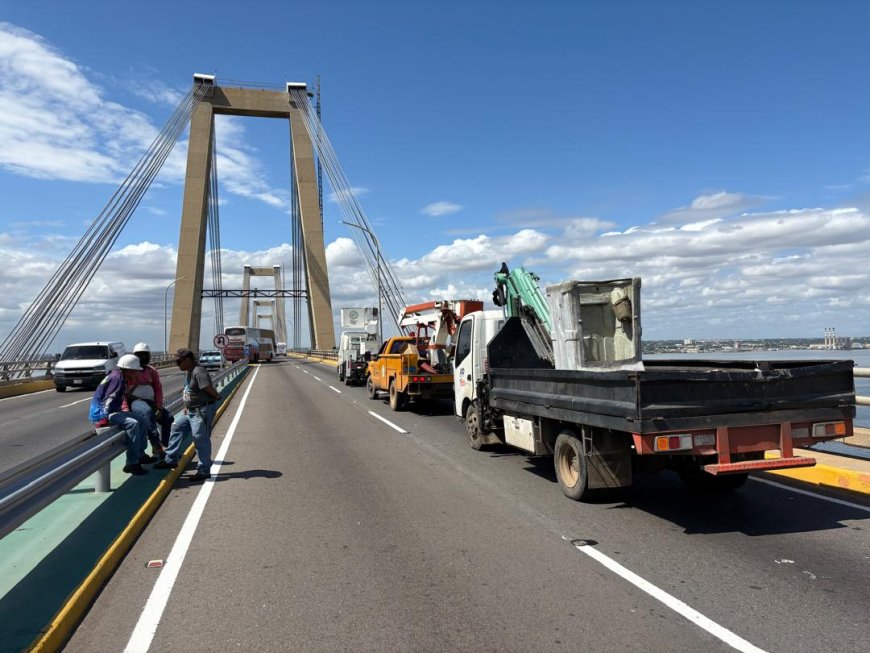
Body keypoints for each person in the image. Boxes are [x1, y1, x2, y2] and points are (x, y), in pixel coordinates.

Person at [155, 348, 221, 482]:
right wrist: (186, 406)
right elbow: (189, 389)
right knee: (177, 428)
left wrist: (216, 396)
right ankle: (171, 459)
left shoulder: (198, 371)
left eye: (179, 361)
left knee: (200, 439)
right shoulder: (189, 371)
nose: (177, 364)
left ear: (188, 360)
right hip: (191, 410)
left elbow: (206, 387)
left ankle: (204, 471)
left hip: (201, 411)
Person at [88, 353, 151, 475]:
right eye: (135, 371)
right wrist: (103, 419)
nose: (137, 374)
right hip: (103, 414)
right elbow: (108, 400)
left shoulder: (121, 376)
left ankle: (140, 454)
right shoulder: (118, 378)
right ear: (128, 370)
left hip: (113, 411)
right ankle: (132, 463)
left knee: (142, 420)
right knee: (133, 424)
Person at [126, 342, 173, 459]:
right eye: (139, 355)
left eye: (145, 354)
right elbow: (122, 393)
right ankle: (155, 443)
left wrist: (159, 406)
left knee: (168, 418)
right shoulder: (129, 371)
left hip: (151, 402)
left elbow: (158, 389)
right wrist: (125, 409)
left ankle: (164, 445)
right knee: (146, 412)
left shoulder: (151, 371)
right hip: (135, 402)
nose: (142, 357)